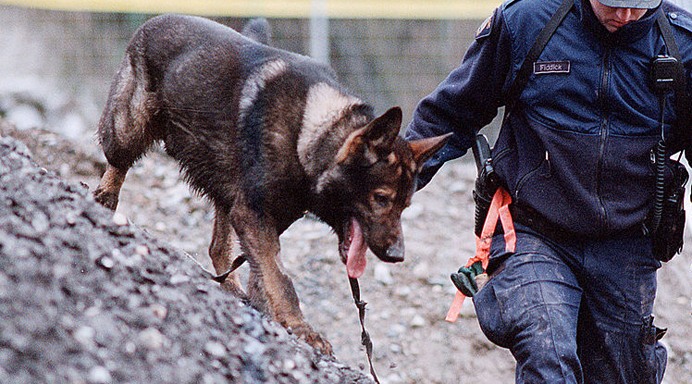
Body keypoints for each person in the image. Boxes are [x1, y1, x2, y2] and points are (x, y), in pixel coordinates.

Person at [405, 0, 692, 383]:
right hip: (531, 231)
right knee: (548, 354)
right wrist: (385, 188)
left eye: (637, 6)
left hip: (625, 247)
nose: (623, 16)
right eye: (612, 3)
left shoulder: (682, 45)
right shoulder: (528, 23)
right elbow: (451, 113)